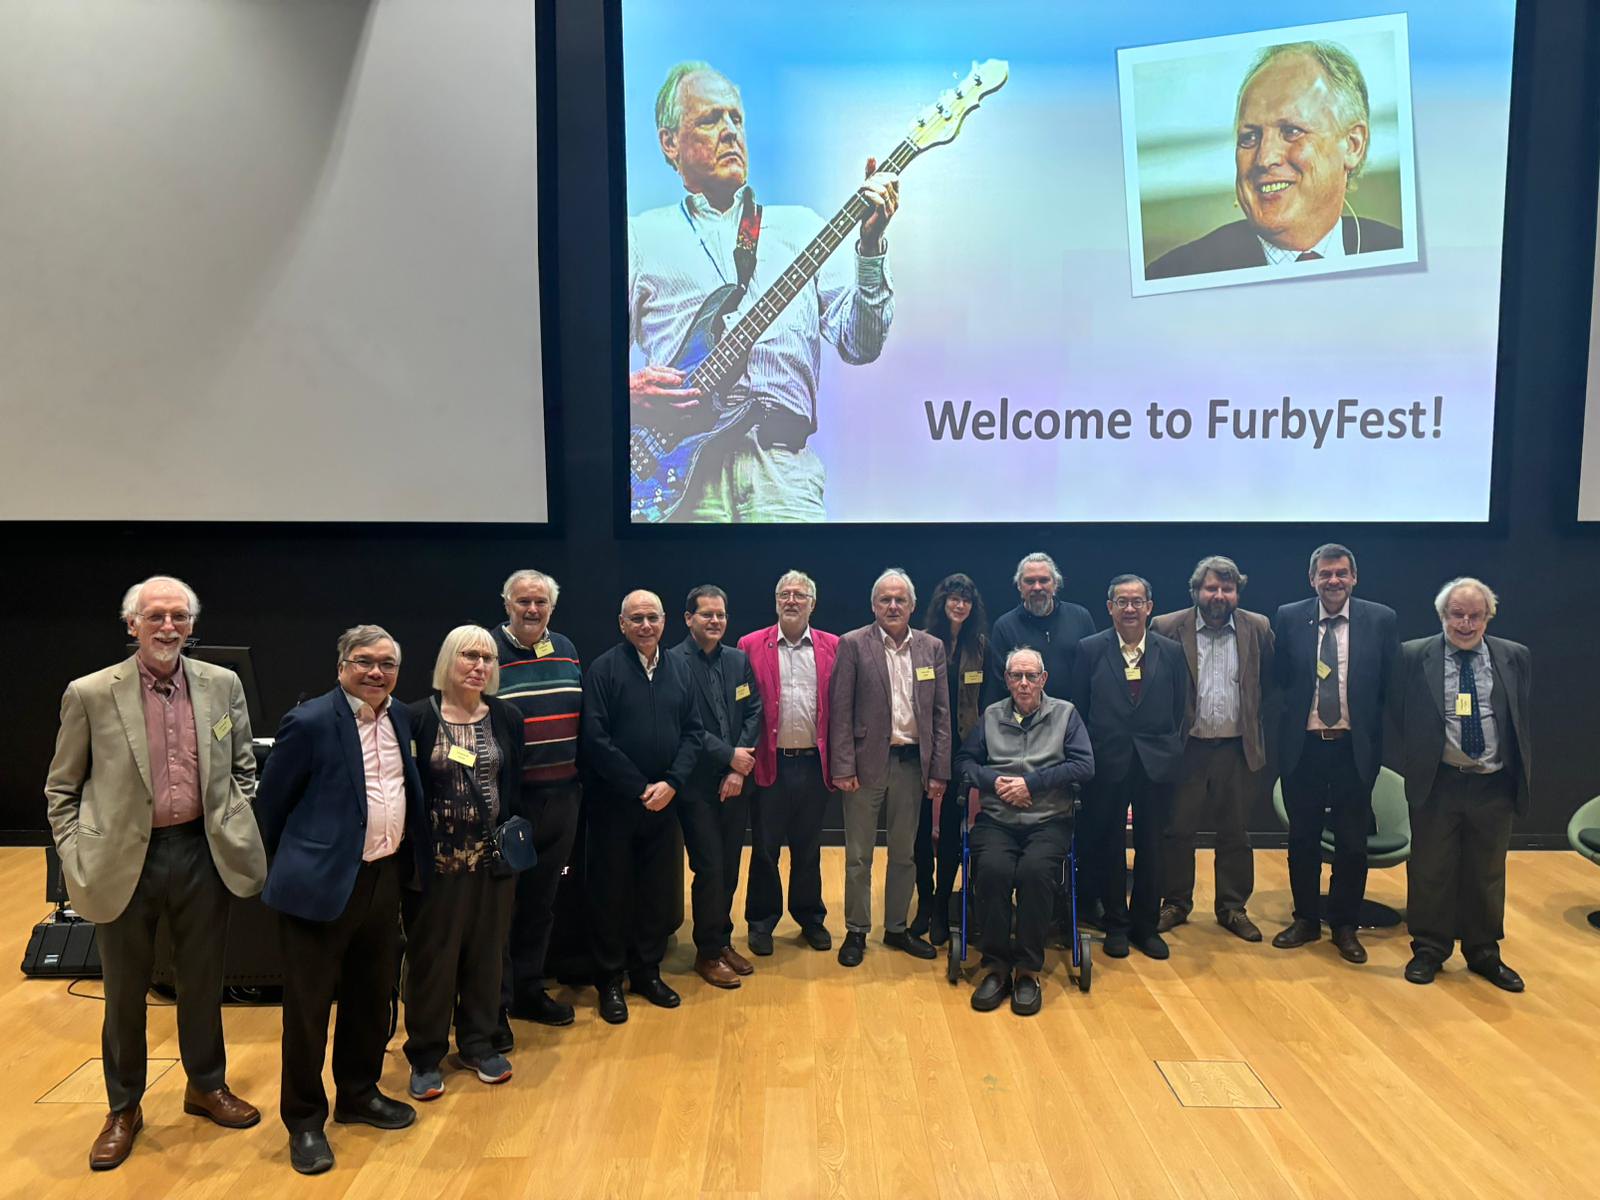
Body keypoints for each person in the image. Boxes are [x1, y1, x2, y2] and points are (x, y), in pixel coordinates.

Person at [43, 575, 267, 1171]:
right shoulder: (90, 693)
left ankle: (205, 1086)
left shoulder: (223, 685)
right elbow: (61, 788)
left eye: (179, 617)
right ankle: (123, 1108)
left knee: (203, 979)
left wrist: (233, 813)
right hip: (123, 859)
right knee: (123, 991)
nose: (168, 627)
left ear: (192, 626)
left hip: (200, 849)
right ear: (132, 625)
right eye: (156, 617)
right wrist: (76, 850)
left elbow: (243, 766)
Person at [628, 61, 900, 521]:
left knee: (800, 593)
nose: (731, 131)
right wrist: (624, 392)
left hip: (782, 474)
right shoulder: (640, 237)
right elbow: (584, 362)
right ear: (669, 142)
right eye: (711, 119)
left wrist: (869, 249)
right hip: (675, 477)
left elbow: (861, 344)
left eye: (736, 118)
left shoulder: (800, 228)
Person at [255, 625, 432, 1175]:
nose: (376, 672)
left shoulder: (402, 717)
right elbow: (272, 807)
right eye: (364, 661)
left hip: (383, 879)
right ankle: (305, 1120)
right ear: (341, 666)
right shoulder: (308, 723)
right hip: (319, 887)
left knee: (372, 996)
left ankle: (359, 1094)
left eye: (388, 663)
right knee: (308, 1010)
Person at [1145, 40, 1402, 281]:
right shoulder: (1174, 275)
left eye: (1291, 132)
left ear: (1352, 145)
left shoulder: (1399, 253)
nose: (1264, 158)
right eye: (1250, 137)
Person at [402, 626, 525, 1101]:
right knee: (434, 961)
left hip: (493, 863)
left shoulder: (508, 718)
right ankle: (427, 1055)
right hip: (438, 866)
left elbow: (517, 785)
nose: (480, 666)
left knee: (488, 955)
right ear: (448, 661)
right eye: (469, 656)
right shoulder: (416, 718)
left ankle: (478, 1042)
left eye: (488, 658)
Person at [1391, 578, 1531, 992]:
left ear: (1488, 617)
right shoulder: (1414, 655)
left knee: (1486, 872)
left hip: (1493, 785)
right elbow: (1399, 712)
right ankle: (1429, 949)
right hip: (1439, 783)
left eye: (1475, 616)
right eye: (1458, 615)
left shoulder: (1514, 657)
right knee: (1430, 868)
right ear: (1442, 616)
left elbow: (1517, 719)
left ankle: (1483, 951)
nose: (1466, 624)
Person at [1271, 543, 1398, 964]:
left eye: (1341, 573)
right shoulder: (1290, 617)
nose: (1333, 581)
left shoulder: (1380, 619)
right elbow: (1279, 681)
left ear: (1354, 578)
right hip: (1303, 748)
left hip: (1352, 749)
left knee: (1352, 845)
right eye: (1325, 574)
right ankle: (1306, 918)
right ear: (1312, 579)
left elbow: (1387, 687)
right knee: (1302, 838)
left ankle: (1344, 925)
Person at [580, 590, 704, 1023]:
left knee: (654, 891)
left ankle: (646, 971)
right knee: (611, 892)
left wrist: (671, 783)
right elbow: (595, 740)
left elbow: (693, 732)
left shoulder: (679, 668)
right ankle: (610, 980)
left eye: (652, 617)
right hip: (616, 804)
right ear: (622, 624)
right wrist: (639, 787)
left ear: (665, 621)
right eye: (637, 618)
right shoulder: (604, 669)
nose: (646, 625)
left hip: (665, 803)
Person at [954, 648, 1094, 1016]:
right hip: (997, 820)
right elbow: (964, 762)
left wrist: (1032, 784)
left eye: (1031, 676)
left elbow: (1084, 765)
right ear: (1007, 679)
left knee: (1034, 873)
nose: (1024, 683)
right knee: (994, 871)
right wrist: (992, 779)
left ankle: (1028, 971)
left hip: (1047, 820)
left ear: (1044, 679)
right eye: (1016, 676)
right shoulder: (991, 715)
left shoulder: (1066, 714)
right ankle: (996, 966)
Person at [828, 568, 951, 967]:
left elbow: (941, 715)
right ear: (873, 606)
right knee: (859, 855)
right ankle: (856, 931)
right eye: (885, 599)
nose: (893, 606)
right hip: (864, 767)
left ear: (912, 606)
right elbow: (840, 712)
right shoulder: (852, 645)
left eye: (900, 599)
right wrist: (843, 766)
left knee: (904, 854)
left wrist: (939, 772)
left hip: (912, 765)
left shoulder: (932, 647)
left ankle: (896, 928)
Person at [1150, 556, 1275, 943]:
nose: (1219, 595)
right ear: (1196, 591)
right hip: (1187, 748)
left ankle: (1232, 907)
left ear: (1237, 591)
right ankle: (1175, 902)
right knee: (1178, 830)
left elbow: (1267, 681)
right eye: (1211, 588)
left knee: (1236, 832)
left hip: (1237, 748)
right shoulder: (1167, 627)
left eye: (1227, 588)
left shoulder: (1258, 627)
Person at [1070, 575, 1188, 960]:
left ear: (1150, 606)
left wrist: (1163, 747)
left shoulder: (1171, 651)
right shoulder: (1090, 649)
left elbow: (1179, 708)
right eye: (1122, 601)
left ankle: (1145, 926)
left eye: (1138, 601)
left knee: (1153, 847)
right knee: (1109, 847)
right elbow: (1080, 708)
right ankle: (1116, 925)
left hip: (1156, 764)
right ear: (1110, 608)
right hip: (1108, 762)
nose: (1130, 609)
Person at [492, 569, 583, 1034]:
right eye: (523, 601)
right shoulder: (486, 652)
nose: (532, 610)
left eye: (540, 602)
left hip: (563, 794)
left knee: (542, 901)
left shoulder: (565, 648)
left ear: (552, 606)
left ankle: (528, 988)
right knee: (503, 904)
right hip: (513, 802)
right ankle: (496, 1004)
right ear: (507, 603)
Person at [667, 585, 763, 989]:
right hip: (697, 785)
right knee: (709, 867)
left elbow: (754, 708)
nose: (715, 621)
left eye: (721, 615)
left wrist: (739, 768)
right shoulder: (673, 662)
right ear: (688, 618)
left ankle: (722, 940)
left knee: (729, 866)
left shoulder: (738, 659)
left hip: (735, 781)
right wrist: (729, 757)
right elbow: (685, 726)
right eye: (706, 614)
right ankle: (706, 952)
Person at [737, 570, 838, 954]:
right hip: (769, 764)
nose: (792, 600)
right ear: (776, 601)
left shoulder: (833, 646)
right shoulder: (749, 645)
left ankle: (810, 918)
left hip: (814, 765)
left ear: (813, 603)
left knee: (809, 849)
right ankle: (761, 923)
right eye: (785, 594)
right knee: (765, 849)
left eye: (800, 594)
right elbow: (741, 706)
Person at [913, 572, 989, 945]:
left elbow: (988, 702)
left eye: (966, 600)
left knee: (951, 835)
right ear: (941, 603)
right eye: (953, 599)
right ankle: (924, 904)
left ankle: (943, 905)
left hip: (964, 752)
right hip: (924, 750)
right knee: (919, 832)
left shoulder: (981, 646)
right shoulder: (924, 644)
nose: (959, 605)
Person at [982, 552, 1097, 709]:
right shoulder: (1004, 626)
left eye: (1044, 580)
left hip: (1075, 719)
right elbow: (999, 685)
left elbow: (1094, 673)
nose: (1037, 587)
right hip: (1025, 722)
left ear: (1055, 584)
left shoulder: (1080, 617)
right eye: (1029, 581)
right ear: (1019, 586)